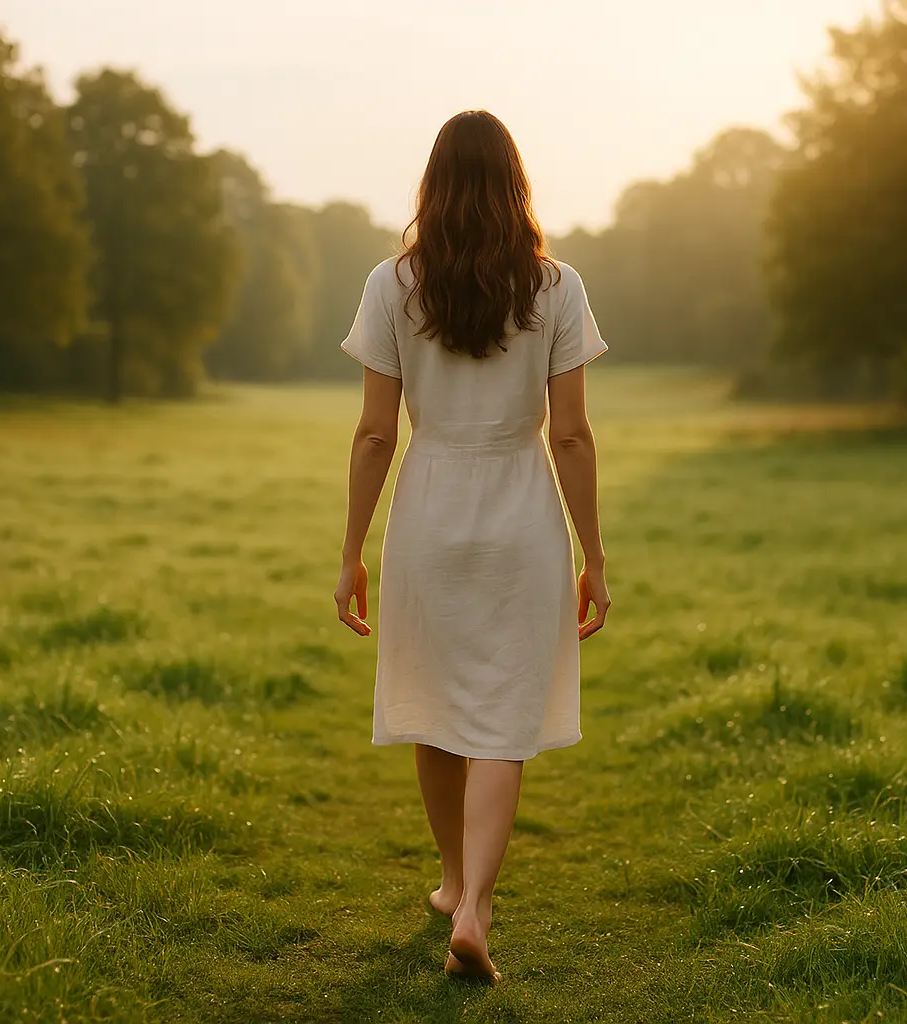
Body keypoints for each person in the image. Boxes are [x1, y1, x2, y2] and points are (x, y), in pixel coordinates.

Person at [334, 109, 610, 984]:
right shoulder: (556, 285)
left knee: (435, 699)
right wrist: (592, 557)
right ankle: (480, 906)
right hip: (522, 510)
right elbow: (571, 436)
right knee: (503, 716)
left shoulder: (392, 283)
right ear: (515, 186)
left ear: (434, 187)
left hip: (429, 508)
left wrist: (352, 550)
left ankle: (454, 882)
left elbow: (375, 434)